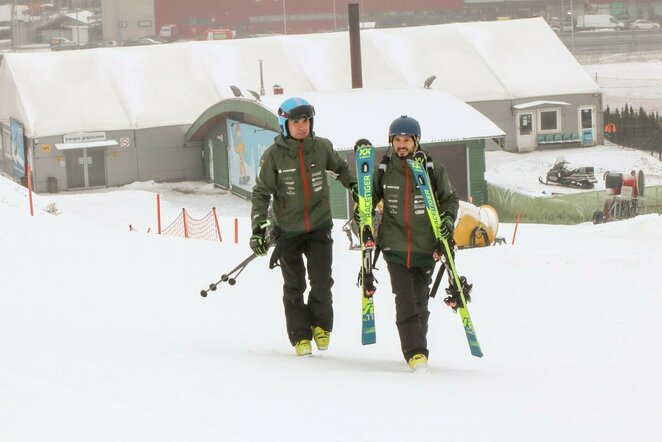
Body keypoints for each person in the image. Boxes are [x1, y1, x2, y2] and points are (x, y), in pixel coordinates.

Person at [250, 97, 358, 356]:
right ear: (285, 124)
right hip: (288, 230)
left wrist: (356, 187)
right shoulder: (273, 156)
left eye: (306, 121)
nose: (302, 126)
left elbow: (342, 170)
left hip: (320, 225)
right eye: (296, 122)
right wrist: (259, 228)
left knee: (321, 281)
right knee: (294, 284)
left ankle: (321, 326)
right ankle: (300, 335)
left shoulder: (321, 148)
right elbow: (261, 193)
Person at [370, 115, 459, 372]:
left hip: (425, 247)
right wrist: (365, 218)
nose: (401, 145)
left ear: (416, 141)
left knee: (420, 301)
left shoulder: (433, 170)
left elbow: (450, 200)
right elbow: (368, 200)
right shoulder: (384, 170)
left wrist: (447, 221)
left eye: (406, 140)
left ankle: (418, 344)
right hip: (394, 247)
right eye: (397, 140)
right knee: (405, 299)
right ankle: (415, 352)